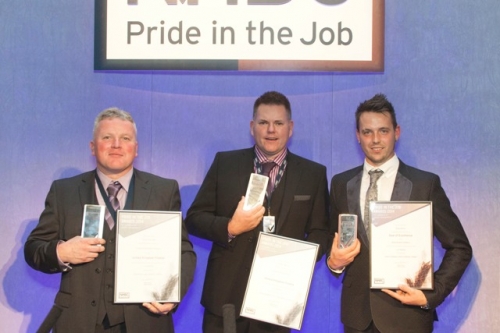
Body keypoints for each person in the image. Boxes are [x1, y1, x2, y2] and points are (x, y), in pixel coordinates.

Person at [24, 108, 196, 333]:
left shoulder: (163, 190)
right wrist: (61, 252)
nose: (116, 145)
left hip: (145, 320)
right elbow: (33, 249)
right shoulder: (64, 191)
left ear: (135, 149)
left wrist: (172, 293)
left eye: (125, 138)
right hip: (79, 321)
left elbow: (183, 252)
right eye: (107, 138)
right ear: (93, 147)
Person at [185, 91, 330, 333]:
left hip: (278, 301)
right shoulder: (225, 164)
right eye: (263, 122)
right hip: (224, 300)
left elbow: (321, 231)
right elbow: (194, 219)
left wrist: (297, 261)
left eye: (278, 123)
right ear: (252, 127)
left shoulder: (313, 174)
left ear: (290, 128)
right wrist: (230, 227)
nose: (271, 130)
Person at [327, 94, 472, 333]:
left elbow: (460, 247)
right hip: (356, 318)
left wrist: (430, 295)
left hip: (408, 317)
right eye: (367, 132)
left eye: (383, 131)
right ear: (357, 135)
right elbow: (333, 244)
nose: (375, 140)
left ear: (397, 132)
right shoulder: (341, 183)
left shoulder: (425, 184)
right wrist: (334, 264)